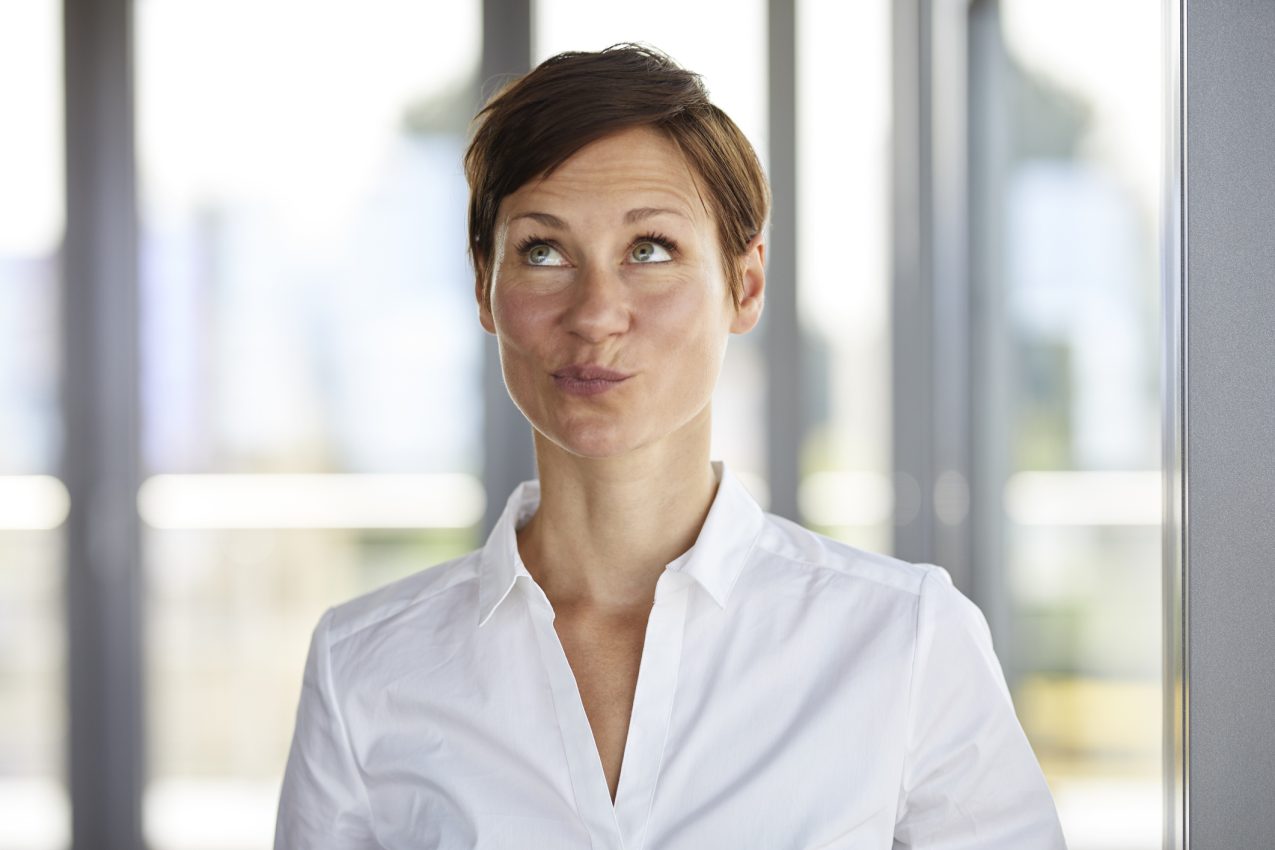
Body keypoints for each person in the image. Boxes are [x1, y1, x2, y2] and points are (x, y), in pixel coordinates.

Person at [275, 44, 1067, 849]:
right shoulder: (365, 668)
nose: (595, 312)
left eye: (649, 249)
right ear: (485, 285)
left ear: (744, 283)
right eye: (542, 251)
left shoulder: (904, 639)